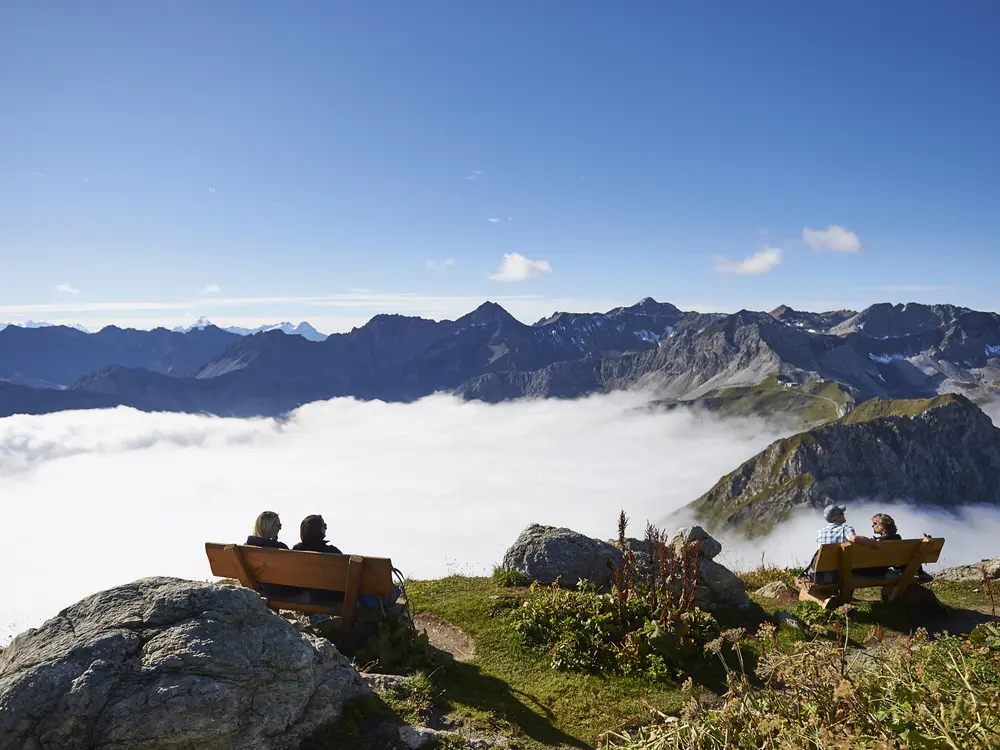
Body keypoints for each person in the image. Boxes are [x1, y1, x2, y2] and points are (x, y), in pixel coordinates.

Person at [806, 505, 881, 583]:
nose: (844, 514)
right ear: (836, 517)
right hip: (840, 574)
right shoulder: (846, 529)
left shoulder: (819, 532)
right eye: (841, 513)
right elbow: (854, 539)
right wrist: (875, 543)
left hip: (821, 574)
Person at [869, 513, 933, 583]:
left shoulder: (878, 542)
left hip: (880, 572)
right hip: (904, 568)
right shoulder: (898, 539)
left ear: (882, 526)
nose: (872, 526)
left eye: (875, 523)